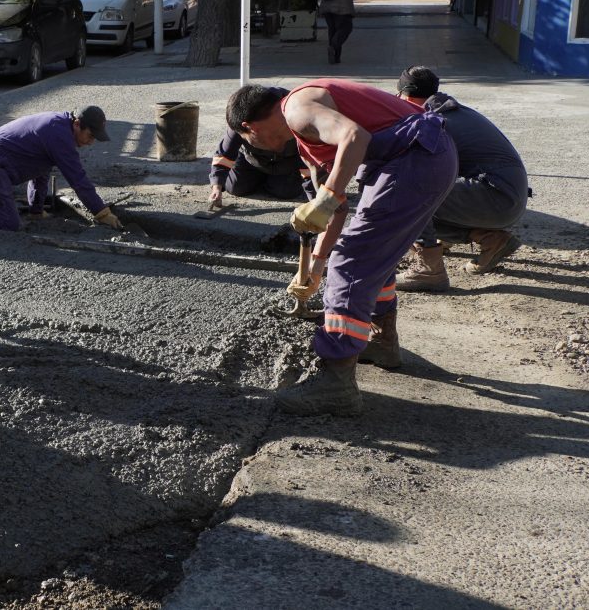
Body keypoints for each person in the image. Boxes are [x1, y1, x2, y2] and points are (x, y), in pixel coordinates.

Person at [226, 80, 457, 416]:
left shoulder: (298, 109)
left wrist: (327, 198)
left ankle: (335, 382)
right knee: (370, 253)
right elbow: (336, 211)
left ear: (249, 127)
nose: (257, 148)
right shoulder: (306, 135)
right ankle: (381, 341)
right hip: (420, 157)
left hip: (414, 159)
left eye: (249, 141)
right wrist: (316, 265)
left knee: (351, 262)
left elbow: (355, 138)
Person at [395, 66, 529, 291]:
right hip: (504, 197)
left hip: (495, 196)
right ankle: (489, 239)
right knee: (419, 193)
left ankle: (428, 270)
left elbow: (416, 174)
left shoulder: (432, 121)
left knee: (404, 190)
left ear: (406, 95)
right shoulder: (451, 110)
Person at [0, 107, 123, 231]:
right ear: (77, 124)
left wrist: (36, 210)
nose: (90, 143)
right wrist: (102, 213)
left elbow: (40, 172)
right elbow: (78, 180)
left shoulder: (56, 125)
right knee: (7, 223)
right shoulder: (61, 137)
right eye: (90, 136)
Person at [209, 88, 305, 203]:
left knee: (285, 191)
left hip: (287, 161)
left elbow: (310, 155)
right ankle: (259, 176)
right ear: (249, 127)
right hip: (252, 159)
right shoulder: (240, 119)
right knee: (235, 187)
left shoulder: (294, 111)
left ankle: (271, 180)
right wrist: (216, 188)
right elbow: (224, 154)